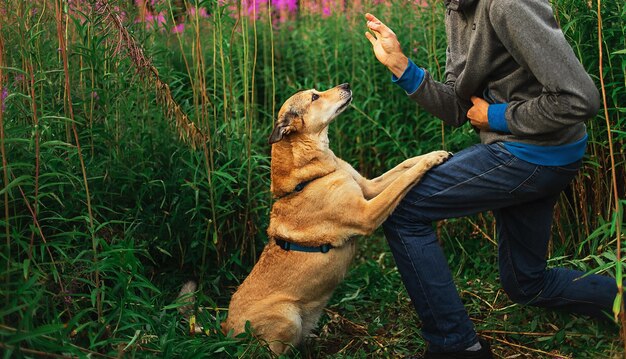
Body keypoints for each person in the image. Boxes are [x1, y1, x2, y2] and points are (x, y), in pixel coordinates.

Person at [364, 0, 617, 358]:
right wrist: (401, 66)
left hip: (535, 154)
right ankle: (618, 299)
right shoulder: (456, 9)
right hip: (527, 152)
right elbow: (459, 108)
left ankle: (456, 346)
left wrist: (497, 116)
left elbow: (579, 99)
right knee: (526, 284)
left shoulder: (508, 5)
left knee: (402, 207)